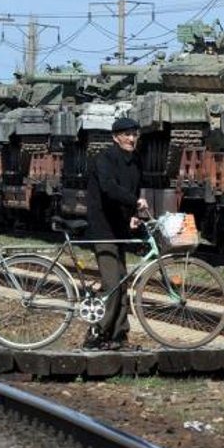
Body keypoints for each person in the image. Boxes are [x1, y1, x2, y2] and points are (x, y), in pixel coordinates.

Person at [83, 116, 149, 350]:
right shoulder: (105, 159)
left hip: (119, 227)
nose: (131, 139)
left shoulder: (136, 161)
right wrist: (136, 202)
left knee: (122, 283)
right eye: (126, 135)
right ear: (115, 137)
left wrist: (133, 212)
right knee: (112, 284)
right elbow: (109, 189)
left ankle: (119, 337)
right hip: (103, 227)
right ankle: (96, 335)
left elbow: (133, 187)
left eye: (134, 134)